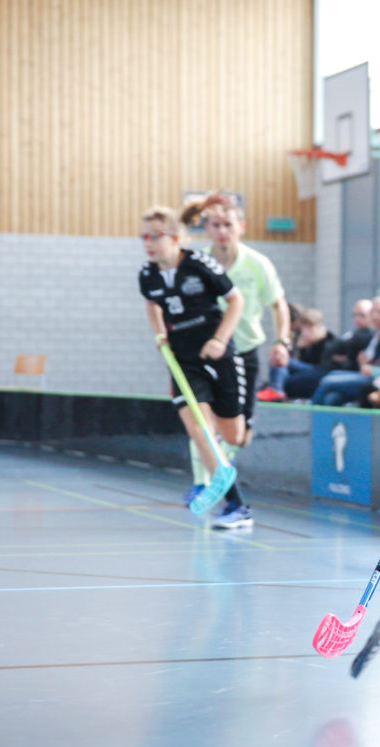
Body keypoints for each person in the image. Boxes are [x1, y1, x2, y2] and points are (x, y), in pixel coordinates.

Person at [137, 205, 251, 528]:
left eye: (155, 236)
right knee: (199, 429)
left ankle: (221, 461)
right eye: (144, 236)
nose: (148, 243)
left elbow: (236, 300)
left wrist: (219, 339)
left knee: (233, 434)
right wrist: (160, 334)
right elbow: (152, 303)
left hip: (218, 355)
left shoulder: (200, 264)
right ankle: (237, 505)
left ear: (174, 238)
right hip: (183, 359)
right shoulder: (148, 274)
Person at [177, 194, 291, 518]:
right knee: (200, 421)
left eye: (228, 224)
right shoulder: (197, 263)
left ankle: (221, 477)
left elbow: (278, 304)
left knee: (238, 435)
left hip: (245, 352)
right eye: (215, 225)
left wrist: (283, 341)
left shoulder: (257, 264)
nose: (222, 231)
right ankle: (211, 486)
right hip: (206, 353)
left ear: (240, 227)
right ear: (207, 229)